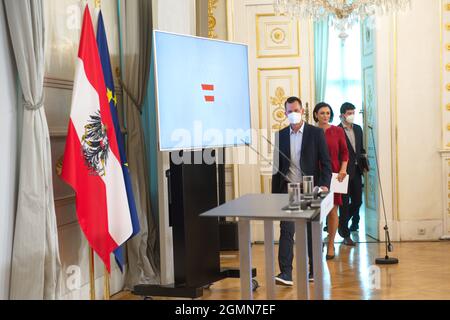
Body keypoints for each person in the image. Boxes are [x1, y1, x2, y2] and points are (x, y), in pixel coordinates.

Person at [272, 96, 332, 286]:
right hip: (288, 188)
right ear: (285, 113)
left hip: (309, 187)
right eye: (289, 111)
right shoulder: (280, 135)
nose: (293, 114)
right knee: (287, 231)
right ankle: (286, 274)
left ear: (302, 111)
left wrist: (324, 184)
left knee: (311, 231)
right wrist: (274, 196)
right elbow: (276, 167)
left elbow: (326, 162)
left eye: (296, 110)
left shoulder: (315, 133)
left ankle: (314, 270)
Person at [313, 102, 349, 260]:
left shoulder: (338, 131)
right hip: (315, 175)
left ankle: (331, 244)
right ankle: (315, 243)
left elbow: (345, 152)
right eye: (322, 113)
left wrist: (343, 169)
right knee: (315, 211)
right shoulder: (311, 132)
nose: (325, 116)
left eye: (328, 113)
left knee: (333, 210)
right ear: (316, 115)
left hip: (335, 174)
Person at [338, 102, 368, 245]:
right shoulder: (336, 130)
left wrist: (365, 164)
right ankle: (345, 234)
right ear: (343, 114)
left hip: (356, 170)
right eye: (349, 113)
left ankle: (340, 223)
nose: (352, 115)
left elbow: (360, 149)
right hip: (342, 172)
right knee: (343, 203)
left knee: (357, 201)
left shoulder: (358, 128)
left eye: (353, 113)